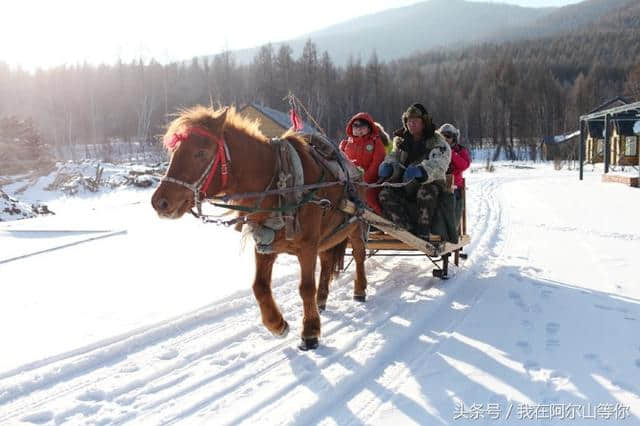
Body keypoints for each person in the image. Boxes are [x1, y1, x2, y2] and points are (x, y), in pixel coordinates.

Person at [377, 103, 451, 239]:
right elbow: (393, 157)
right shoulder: (401, 141)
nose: (411, 124)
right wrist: (388, 166)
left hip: (430, 185)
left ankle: (423, 231)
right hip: (405, 186)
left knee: (425, 192)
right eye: (409, 121)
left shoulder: (437, 141)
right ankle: (406, 229)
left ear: (424, 123)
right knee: (385, 193)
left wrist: (421, 170)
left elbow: (440, 164)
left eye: (415, 121)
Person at [339, 112, 388, 215]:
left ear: (369, 128)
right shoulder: (346, 143)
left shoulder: (376, 142)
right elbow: (340, 161)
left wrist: (364, 180)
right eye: (355, 126)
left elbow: (377, 163)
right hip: (348, 181)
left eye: (362, 126)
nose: (359, 129)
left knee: (368, 197)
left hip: (370, 182)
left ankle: (382, 219)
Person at [439, 123, 470, 226]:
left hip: (455, 186)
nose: (446, 139)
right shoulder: (437, 149)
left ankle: (450, 227)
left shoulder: (460, 150)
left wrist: (451, 153)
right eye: (443, 136)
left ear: (454, 138)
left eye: (448, 136)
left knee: (452, 203)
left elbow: (464, 165)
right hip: (439, 184)